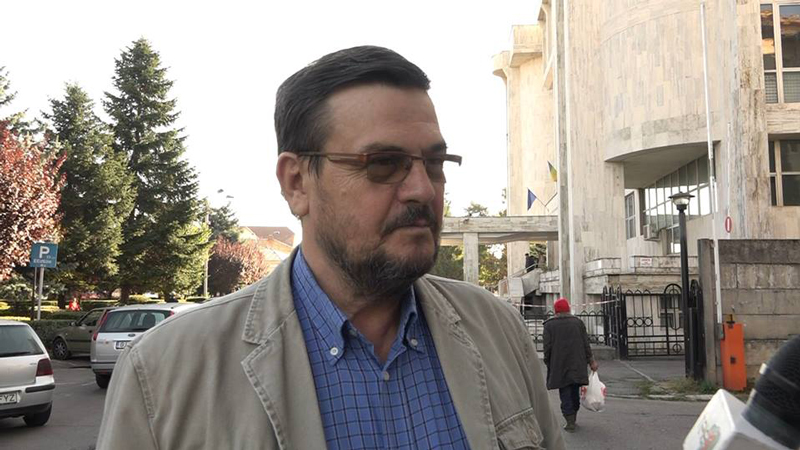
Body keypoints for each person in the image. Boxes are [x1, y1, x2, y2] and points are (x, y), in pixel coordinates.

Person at [97, 46, 565, 450]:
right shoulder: (163, 372)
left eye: (435, 163)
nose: (423, 189)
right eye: (384, 163)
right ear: (296, 183)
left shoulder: (498, 331)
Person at [543, 297, 598, 432]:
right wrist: (591, 361)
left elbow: (547, 347)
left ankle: (569, 420)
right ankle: (573, 415)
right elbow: (586, 344)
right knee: (574, 390)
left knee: (565, 391)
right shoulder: (578, 323)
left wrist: (548, 361)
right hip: (577, 363)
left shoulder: (549, 325)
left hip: (559, 364)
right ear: (568, 309)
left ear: (556, 311)